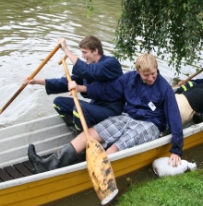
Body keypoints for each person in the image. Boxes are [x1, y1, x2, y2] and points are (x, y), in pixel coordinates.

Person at [28, 53, 184, 173]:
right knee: (89, 134)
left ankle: (89, 172)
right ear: (138, 72)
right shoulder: (129, 78)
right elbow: (107, 90)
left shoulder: (165, 88)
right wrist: (82, 88)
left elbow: (174, 117)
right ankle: (47, 164)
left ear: (156, 68)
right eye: (145, 75)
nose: (150, 78)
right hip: (127, 117)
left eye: (153, 74)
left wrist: (176, 149)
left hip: (150, 124)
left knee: (113, 149)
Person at [24, 36, 124, 131]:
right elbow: (65, 82)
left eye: (85, 52)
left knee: (80, 109)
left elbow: (89, 71)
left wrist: (66, 50)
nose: (83, 56)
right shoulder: (90, 66)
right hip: (96, 106)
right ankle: (74, 127)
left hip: (112, 110)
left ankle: (83, 139)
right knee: (58, 102)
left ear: (96, 51)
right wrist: (36, 81)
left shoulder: (111, 63)